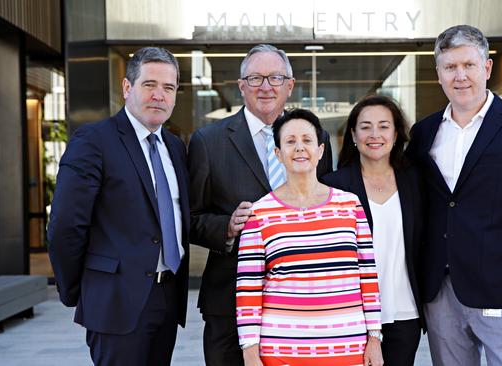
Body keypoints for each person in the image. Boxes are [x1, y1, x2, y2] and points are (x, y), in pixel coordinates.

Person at [405, 25, 502, 366]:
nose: (460, 76)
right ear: (439, 73)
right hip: (441, 293)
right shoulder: (424, 132)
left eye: (468, 65)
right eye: (450, 67)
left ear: (487, 68)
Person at [188, 44, 333, 366]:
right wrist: (225, 225)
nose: (265, 87)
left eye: (275, 78)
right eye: (255, 78)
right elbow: (190, 217)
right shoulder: (208, 141)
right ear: (241, 86)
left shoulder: (313, 139)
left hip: (304, 298)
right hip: (229, 297)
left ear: (290, 85)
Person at [47, 47, 189, 365]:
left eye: (168, 87)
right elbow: (66, 225)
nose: (159, 95)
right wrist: (76, 290)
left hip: (166, 296)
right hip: (115, 302)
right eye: (149, 84)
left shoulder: (175, 147)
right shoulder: (94, 141)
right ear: (127, 88)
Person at [236, 108, 383, 366]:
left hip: (347, 348)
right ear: (279, 154)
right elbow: (248, 288)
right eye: (290, 142)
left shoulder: (350, 205)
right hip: (282, 351)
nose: (300, 148)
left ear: (321, 150)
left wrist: (374, 337)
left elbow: (368, 277)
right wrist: (250, 350)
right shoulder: (258, 213)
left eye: (307, 140)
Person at [321, 94, 425, 366]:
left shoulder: (416, 180)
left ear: (396, 133)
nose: (374, 134)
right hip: (351, 313)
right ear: (353, 134)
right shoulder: (334, 186)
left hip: (405, 310)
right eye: (365, 127)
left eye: (383, 126)